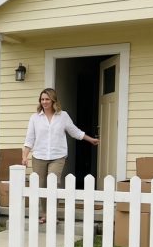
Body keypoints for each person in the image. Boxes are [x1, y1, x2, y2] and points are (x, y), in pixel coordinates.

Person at [21, 88, 99, 224]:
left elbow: (75, 132)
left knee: (53, 184)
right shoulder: (35, 118)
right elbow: (29, 139)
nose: (44, 102)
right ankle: (45, 214)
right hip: (39, 156)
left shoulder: (63, 116)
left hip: (58, 156)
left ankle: (53, 214)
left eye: (47, 99)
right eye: (42, 99)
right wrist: (24, 156)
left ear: (53, 100)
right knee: (41, 186)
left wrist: (90, 139)